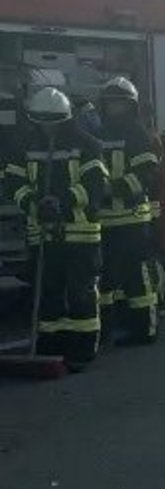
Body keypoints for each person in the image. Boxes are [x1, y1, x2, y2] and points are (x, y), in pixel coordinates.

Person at [2, 87, 108, 370]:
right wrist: (35, 203)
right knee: (48, 290)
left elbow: (96, 185)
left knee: (79, 292)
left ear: (65, 119)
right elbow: (13, 183)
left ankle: (83, 349)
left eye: (54, 123)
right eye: (42, 122)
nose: (48, 129)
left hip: (80, 234)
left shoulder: (87, 145)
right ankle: (50, 345)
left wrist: (63, 201)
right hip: (43, 233)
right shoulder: (24, 147)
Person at [94, 77, 161, 345]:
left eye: (120, 105)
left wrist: (114, 189)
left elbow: (147, 175)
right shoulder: (97, 134)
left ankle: (145, 329)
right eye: (110, 105)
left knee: (138, 279)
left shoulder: (137, 134)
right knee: (106, 280)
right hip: (104, 221)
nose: (115, 110)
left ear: (130, 107)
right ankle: (108, 328)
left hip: (132, 219)